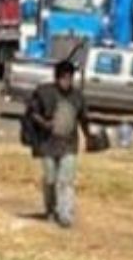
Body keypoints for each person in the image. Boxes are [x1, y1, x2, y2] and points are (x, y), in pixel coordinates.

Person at [25, 60, 91, 229]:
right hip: (47, 143)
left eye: (69, 78)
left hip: (69, 144)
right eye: (63, 78)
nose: (66, 81)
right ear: (57, 78)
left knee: (66, 180)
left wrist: (89, 135)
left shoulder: (77, 97)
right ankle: (50, 208)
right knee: (50, 178)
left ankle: (65, 213)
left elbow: (83, 118)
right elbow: (32, 112)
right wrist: (44, 124)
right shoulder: (44, 92)